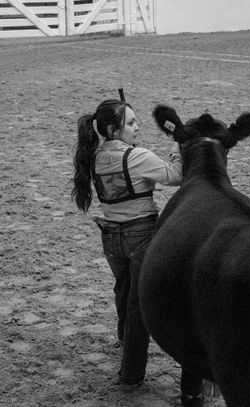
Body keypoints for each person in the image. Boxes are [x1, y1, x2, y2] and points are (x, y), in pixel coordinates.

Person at [72, 99, 183, 389]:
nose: (137, 127)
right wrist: (177, 145)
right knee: (139, 304)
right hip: (141, 233)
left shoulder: (93, 156)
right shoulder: (138, 157)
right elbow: (176, 175)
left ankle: (124, 338)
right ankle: (131, 373)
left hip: (110, 237)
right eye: (131, 123)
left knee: (123, 287)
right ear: (113, 129)